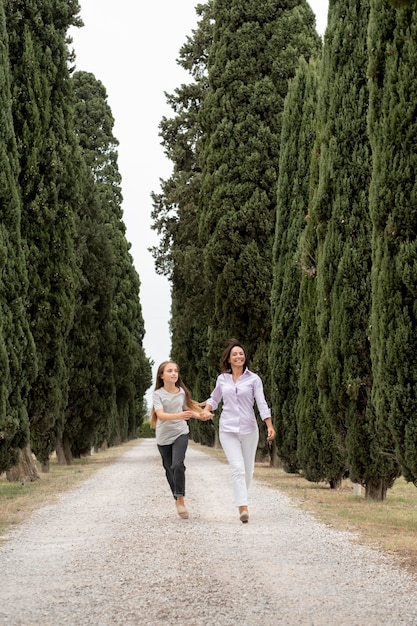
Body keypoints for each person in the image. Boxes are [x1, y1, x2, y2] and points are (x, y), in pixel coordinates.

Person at [200, 339, 275, 523]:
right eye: (235, 354)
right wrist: (206, 410)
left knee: (248, 471)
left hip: (249, 429)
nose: (239, 356)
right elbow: (214, 398)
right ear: (228, 359)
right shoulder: (222, 379)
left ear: (245, 357)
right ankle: (243, 507)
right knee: (237, 468)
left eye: (241, 354)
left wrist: (269, 425)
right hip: (227, 429)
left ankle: (241, 497)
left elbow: (262, 402)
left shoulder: (254, 379)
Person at [151, 360, 209, 520]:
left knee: (177, 464)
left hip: (180, 432)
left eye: (175, 371)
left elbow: (187, 409)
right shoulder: (158, 394)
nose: (174, 373)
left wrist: (201, 415)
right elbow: (161, 415)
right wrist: (179, 415)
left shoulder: (182, 392)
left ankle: (181, 499)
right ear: (162, 376)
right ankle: (177, 498)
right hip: (163, 437)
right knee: (169, 469)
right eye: (169, 371)